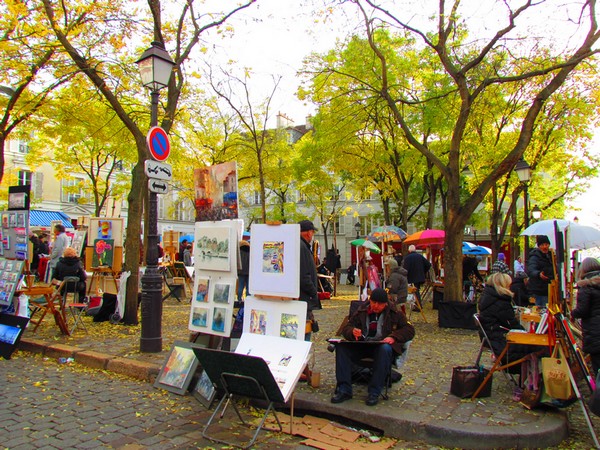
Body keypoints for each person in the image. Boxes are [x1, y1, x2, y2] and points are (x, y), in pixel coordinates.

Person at [331, 288, 415, 406]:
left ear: (385, 304)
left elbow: (409, 330)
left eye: (379, 304)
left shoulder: (394, 313)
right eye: (373, 302)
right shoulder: (362, 310)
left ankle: (374, 392)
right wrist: (352, 332)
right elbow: (347, 327)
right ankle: (344, 389)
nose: (376, 306)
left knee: (385, 349)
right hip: (363, 345)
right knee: (341, 347)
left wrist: (393, 337)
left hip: (381, 348)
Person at [478, 272, 538, 366]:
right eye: (509, 285)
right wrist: (527, 334)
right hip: (500, 340)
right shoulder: (500, 301)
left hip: (493, 336)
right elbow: (511, 323)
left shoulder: (490, 297)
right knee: (535, 347)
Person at [571, 257, 600, 376]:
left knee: (598, 367)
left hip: (595, 332)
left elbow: (582, 310)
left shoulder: (585, 286)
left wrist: (572, 313)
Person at [299, 220, 321, 340]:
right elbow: (304, 276)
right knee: (304, 335)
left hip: (303, 298)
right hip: (304, 299)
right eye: (312, 232)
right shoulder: (302, 247)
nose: (312, 236)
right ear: (308, 233)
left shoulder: (301, 246)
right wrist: (313, 292)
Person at [526, 235, 555, 308]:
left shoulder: (550, 256)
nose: (545, 247)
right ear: (539, 246)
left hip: (549, 290)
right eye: (542, 245)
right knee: (541, 312)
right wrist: (539, 274)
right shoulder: (534, 256)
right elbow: (531, 270)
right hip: (539, 290)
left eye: (546, 244)